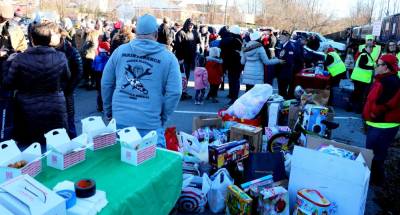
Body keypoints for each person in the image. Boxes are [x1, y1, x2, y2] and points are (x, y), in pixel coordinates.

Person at [101, 14, 182, 147]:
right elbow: (175, 92)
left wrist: (109, 112)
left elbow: (106, 84)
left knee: (120, 165)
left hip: (120, 122)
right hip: (150, 125)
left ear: (136, 33)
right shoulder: (169, 58)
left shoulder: (120, 52)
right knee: (152, 167)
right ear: (156, 34)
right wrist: (163, 117)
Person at [2, 22, 70, 145]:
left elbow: (8, 83)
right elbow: (66, 78)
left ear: (32, 39)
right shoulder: (61, 57)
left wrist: (7, 63)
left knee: (31, 151)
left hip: (27, 109)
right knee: (56, 147)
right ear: (49, 39)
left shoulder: (19, 58)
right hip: (55, 106)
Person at [363, 54, 400, 185]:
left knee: (375, 156)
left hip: (383, 126)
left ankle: (375, 182)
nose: (376, 67)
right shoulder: (383, 79)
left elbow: (387, 103)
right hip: (378, 124)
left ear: (386, 67)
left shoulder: (391, 81)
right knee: (373, 154)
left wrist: (373, 114)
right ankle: (373, 180)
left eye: (378, 64)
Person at [53, 24, 83, 138]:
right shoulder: (47, 49)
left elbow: (79, 72)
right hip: (50, 96)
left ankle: (74, 150)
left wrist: (69, 89)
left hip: (66, 94)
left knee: (69, 123)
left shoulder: (71, 50)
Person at [219, 25, 243, 105]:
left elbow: (224, 52)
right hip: (236, 64)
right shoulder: (238, 39)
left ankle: (234, 98)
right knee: (233, 80)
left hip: (232, 63)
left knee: (233, 81)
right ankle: (232, 96)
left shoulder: (232, 40)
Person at [350, 45, 375, 113]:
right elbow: (361, 65)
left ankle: (351, 107)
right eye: (369, 47)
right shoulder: (364, 55)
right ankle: (357, 109)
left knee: (357, 93)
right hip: (360, 79)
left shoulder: (367, 55)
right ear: (365, 48)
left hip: (361, 78)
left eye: (372, 47)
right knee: (360, 94)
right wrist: (371, 67)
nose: (371, 49)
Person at [276, 30, 295, 99]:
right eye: (280, 36)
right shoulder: (282, 45)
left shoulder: (289, 47)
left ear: (287, 37)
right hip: (281, 73)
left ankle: (284, 108)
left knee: (283, 92)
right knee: (281, 92)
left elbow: (289, 62)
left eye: (282, 36)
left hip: (285, 73)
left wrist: (279, 61)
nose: (280, 37)